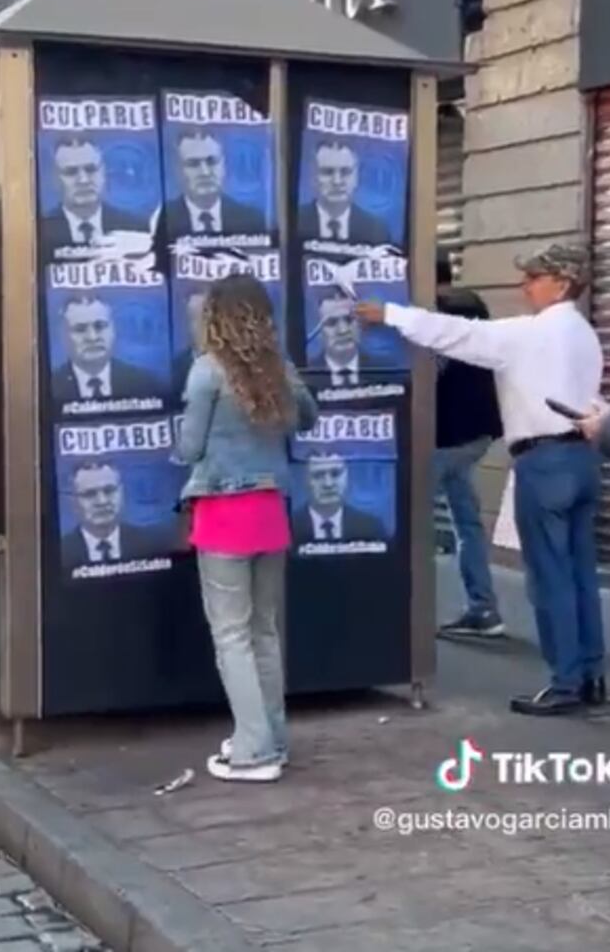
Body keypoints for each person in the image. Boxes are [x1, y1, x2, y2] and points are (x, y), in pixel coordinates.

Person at [357, 244, 606, 716]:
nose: (524, 286)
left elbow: (458, 334)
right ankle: (590, 675)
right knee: (579, 575)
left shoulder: (532, 334)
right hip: (582, 460)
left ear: (562, 283)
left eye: (533, 277)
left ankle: (565, 682)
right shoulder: (585, 335)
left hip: (543, 461)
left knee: (549, 577)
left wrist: (390, 312)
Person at [177, 273, 317, 782]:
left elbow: (189, 449)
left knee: (231, 634)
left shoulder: (206, 371)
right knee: (264, 631)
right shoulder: (278, 368)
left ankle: (253, 751)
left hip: (223, 513)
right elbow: (307, 419)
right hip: (270, 513)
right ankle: (272, 738)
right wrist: (290, 375)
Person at [434, 250, 505, 638]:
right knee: (467, 522)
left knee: (408, 525)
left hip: (443, 436)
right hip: (477, 434)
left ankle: (401, 615)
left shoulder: (437, 315)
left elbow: (433, 374)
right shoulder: (475, 307)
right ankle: (484, 608)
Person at [41, 137, 145, 257]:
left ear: (103, 172)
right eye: (71, 172)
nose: (83, 180)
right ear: (55, 179)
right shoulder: (42, 232)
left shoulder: (135, 228)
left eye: (91, 169)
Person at [52, 295, 163, 404]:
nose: (92, 337)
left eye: (100, 326)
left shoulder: (144, 383)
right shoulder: (50, 386)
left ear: (114, 330)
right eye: (80, 330)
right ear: (62, 336)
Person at [165, 130, 263, 237]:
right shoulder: (162, 221)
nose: (205, 172)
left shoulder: (253, 220)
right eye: (193, 164)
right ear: (177, 170)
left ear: (224, 165)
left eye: (212, 161)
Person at [61, 462, 157, 569]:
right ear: (72, 501)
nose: (102, 501)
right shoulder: (60, 551)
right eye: (89, 494)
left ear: (122, 493)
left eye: (109, 490)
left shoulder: (152, 545)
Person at [298, 140, 391, 245]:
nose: (337, 181)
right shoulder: (292, 223)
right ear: (312, 177)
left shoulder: (376, 231)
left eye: (345, 172)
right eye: (327, 172)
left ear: (357, 177)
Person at [292, 454, 385, 543]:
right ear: (305, 480)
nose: (328, 484)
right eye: (318, 476)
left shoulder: (371, 527)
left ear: (347, 477)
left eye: (335, 474)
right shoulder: (286, 528)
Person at [315, 294, 369, 385]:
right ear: (319, 333)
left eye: (349, 319)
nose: (343, 330)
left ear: (360, 325)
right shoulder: (302, 377)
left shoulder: (386, 370)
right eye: (331, 322)